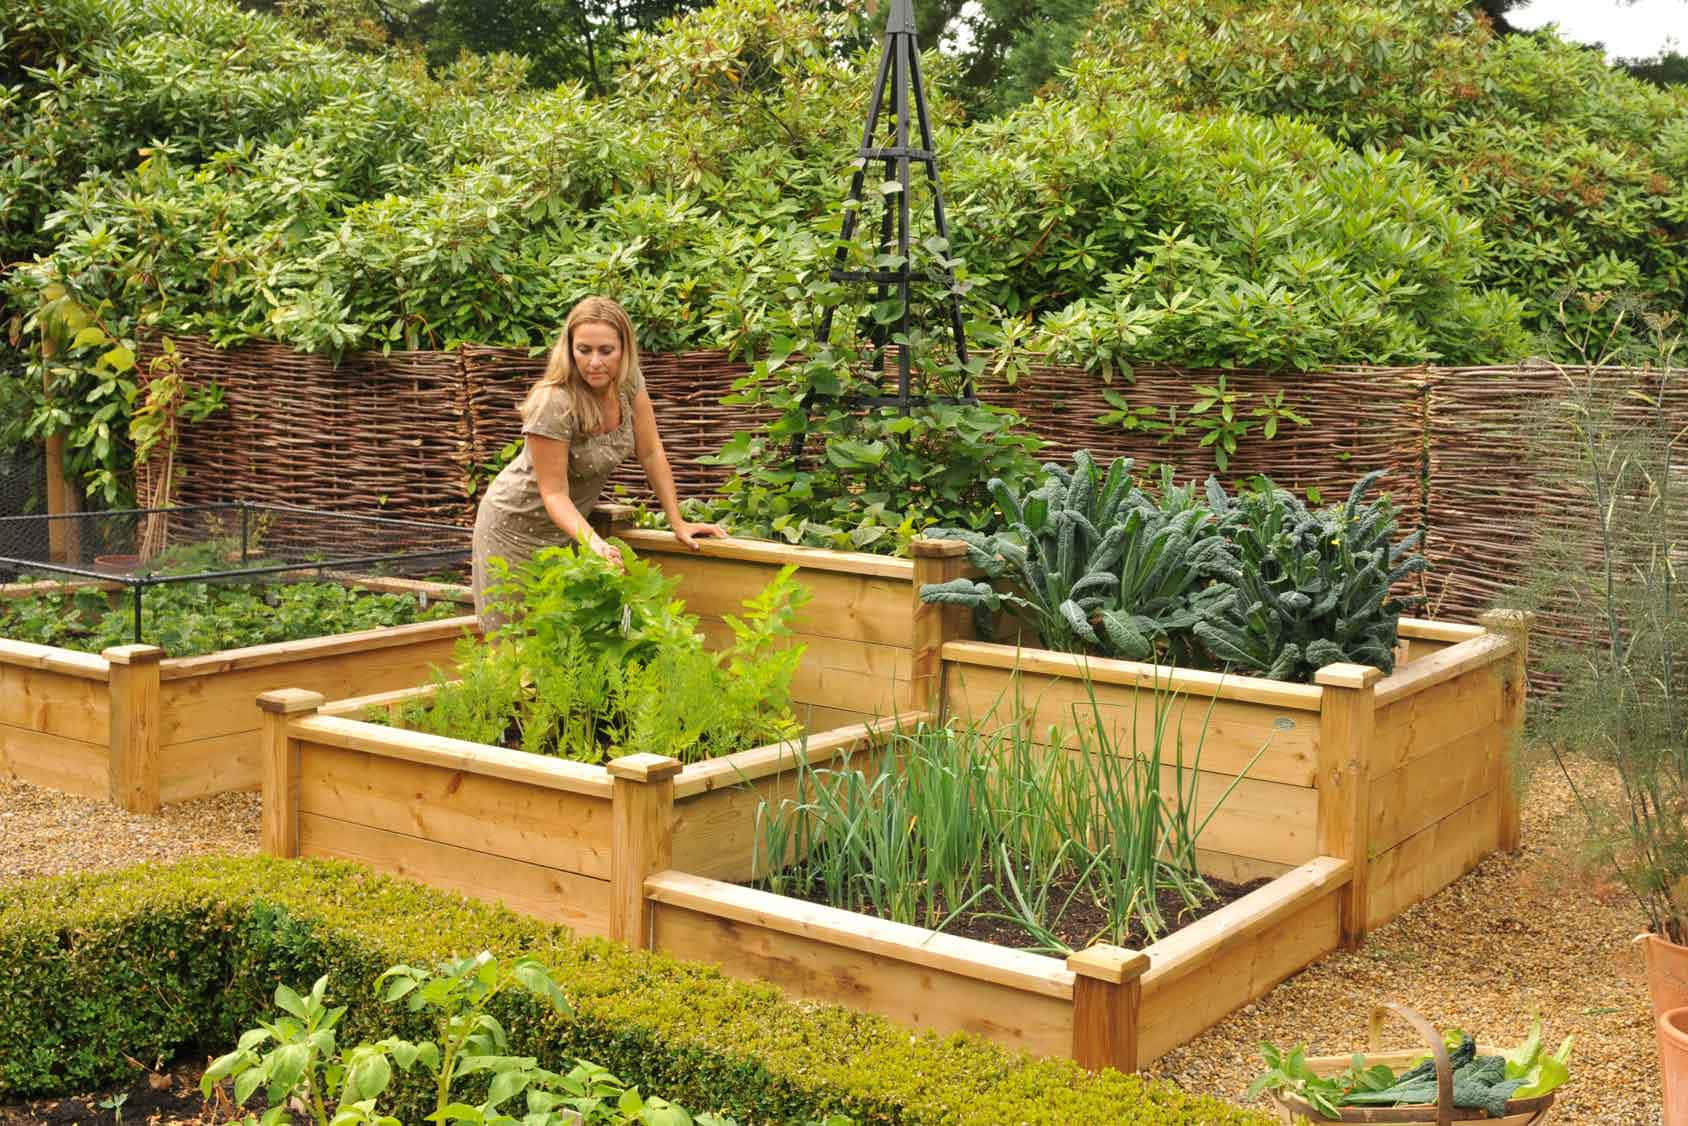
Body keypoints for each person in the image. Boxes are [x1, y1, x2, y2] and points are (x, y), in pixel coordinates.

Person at [470, 296, 726, 625]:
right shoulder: (554, 402)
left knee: (567, 643)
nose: (594, 362)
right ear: (569, 349)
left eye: (606, 351)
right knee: (512, 648)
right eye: (583, 350)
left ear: (624, 349)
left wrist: (677, 521)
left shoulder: (629, 384)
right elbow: (554, 493)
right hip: (514, 530)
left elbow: (651, 452)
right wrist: (595, 543)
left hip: (571, 533)